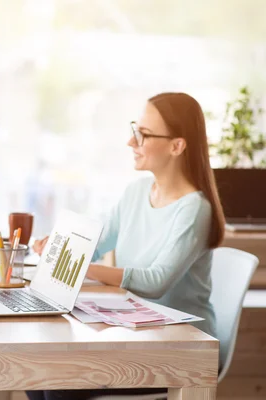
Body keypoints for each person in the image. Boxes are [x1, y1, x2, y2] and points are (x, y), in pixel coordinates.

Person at [29, 92, 225, 400]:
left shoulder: (194, 209)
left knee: (58, 385)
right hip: (140, 332)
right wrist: (60, 247)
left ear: (177, 145)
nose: (131, 143)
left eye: (142, 135)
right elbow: (95, 243)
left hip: (184, 348)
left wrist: (82, 268)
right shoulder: (136, 192)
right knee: (38, 371)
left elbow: (156, 281)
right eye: (135, 130)